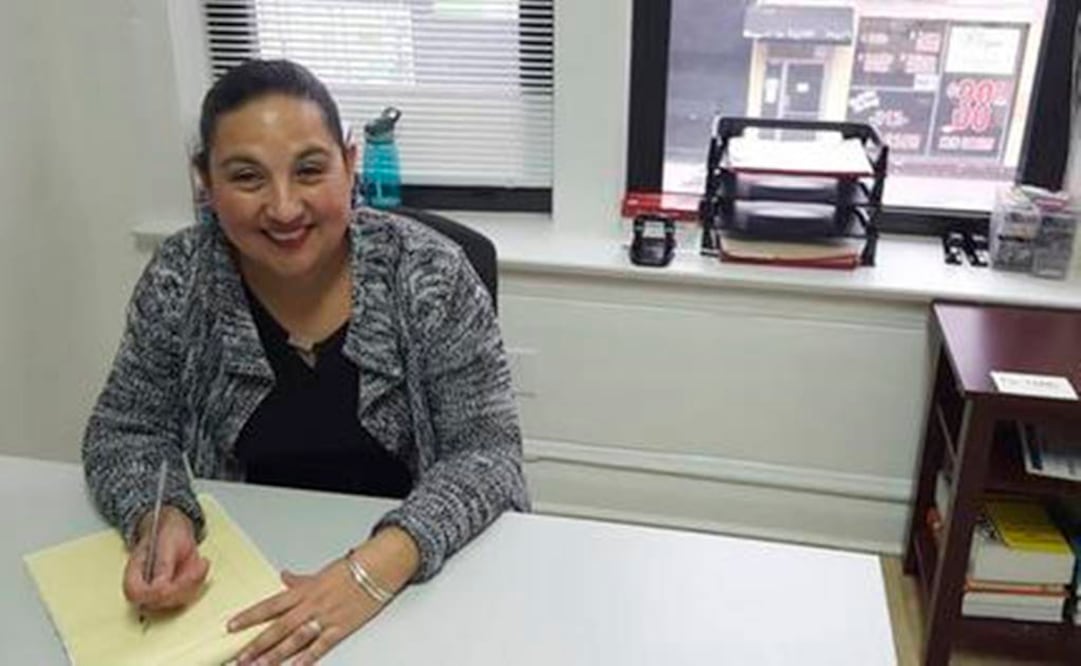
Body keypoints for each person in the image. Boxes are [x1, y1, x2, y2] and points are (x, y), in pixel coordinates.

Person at [81, 59, 528, 666]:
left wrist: (371, 573)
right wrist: (160, 518)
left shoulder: (431, 274)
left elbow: (488, 456)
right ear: (204, 184)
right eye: (247, 177)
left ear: (349, 165)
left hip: (419, 580)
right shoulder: (180, 276)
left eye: (310, 170)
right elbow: (127, 429)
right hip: (243, 587)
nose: (285, 208)